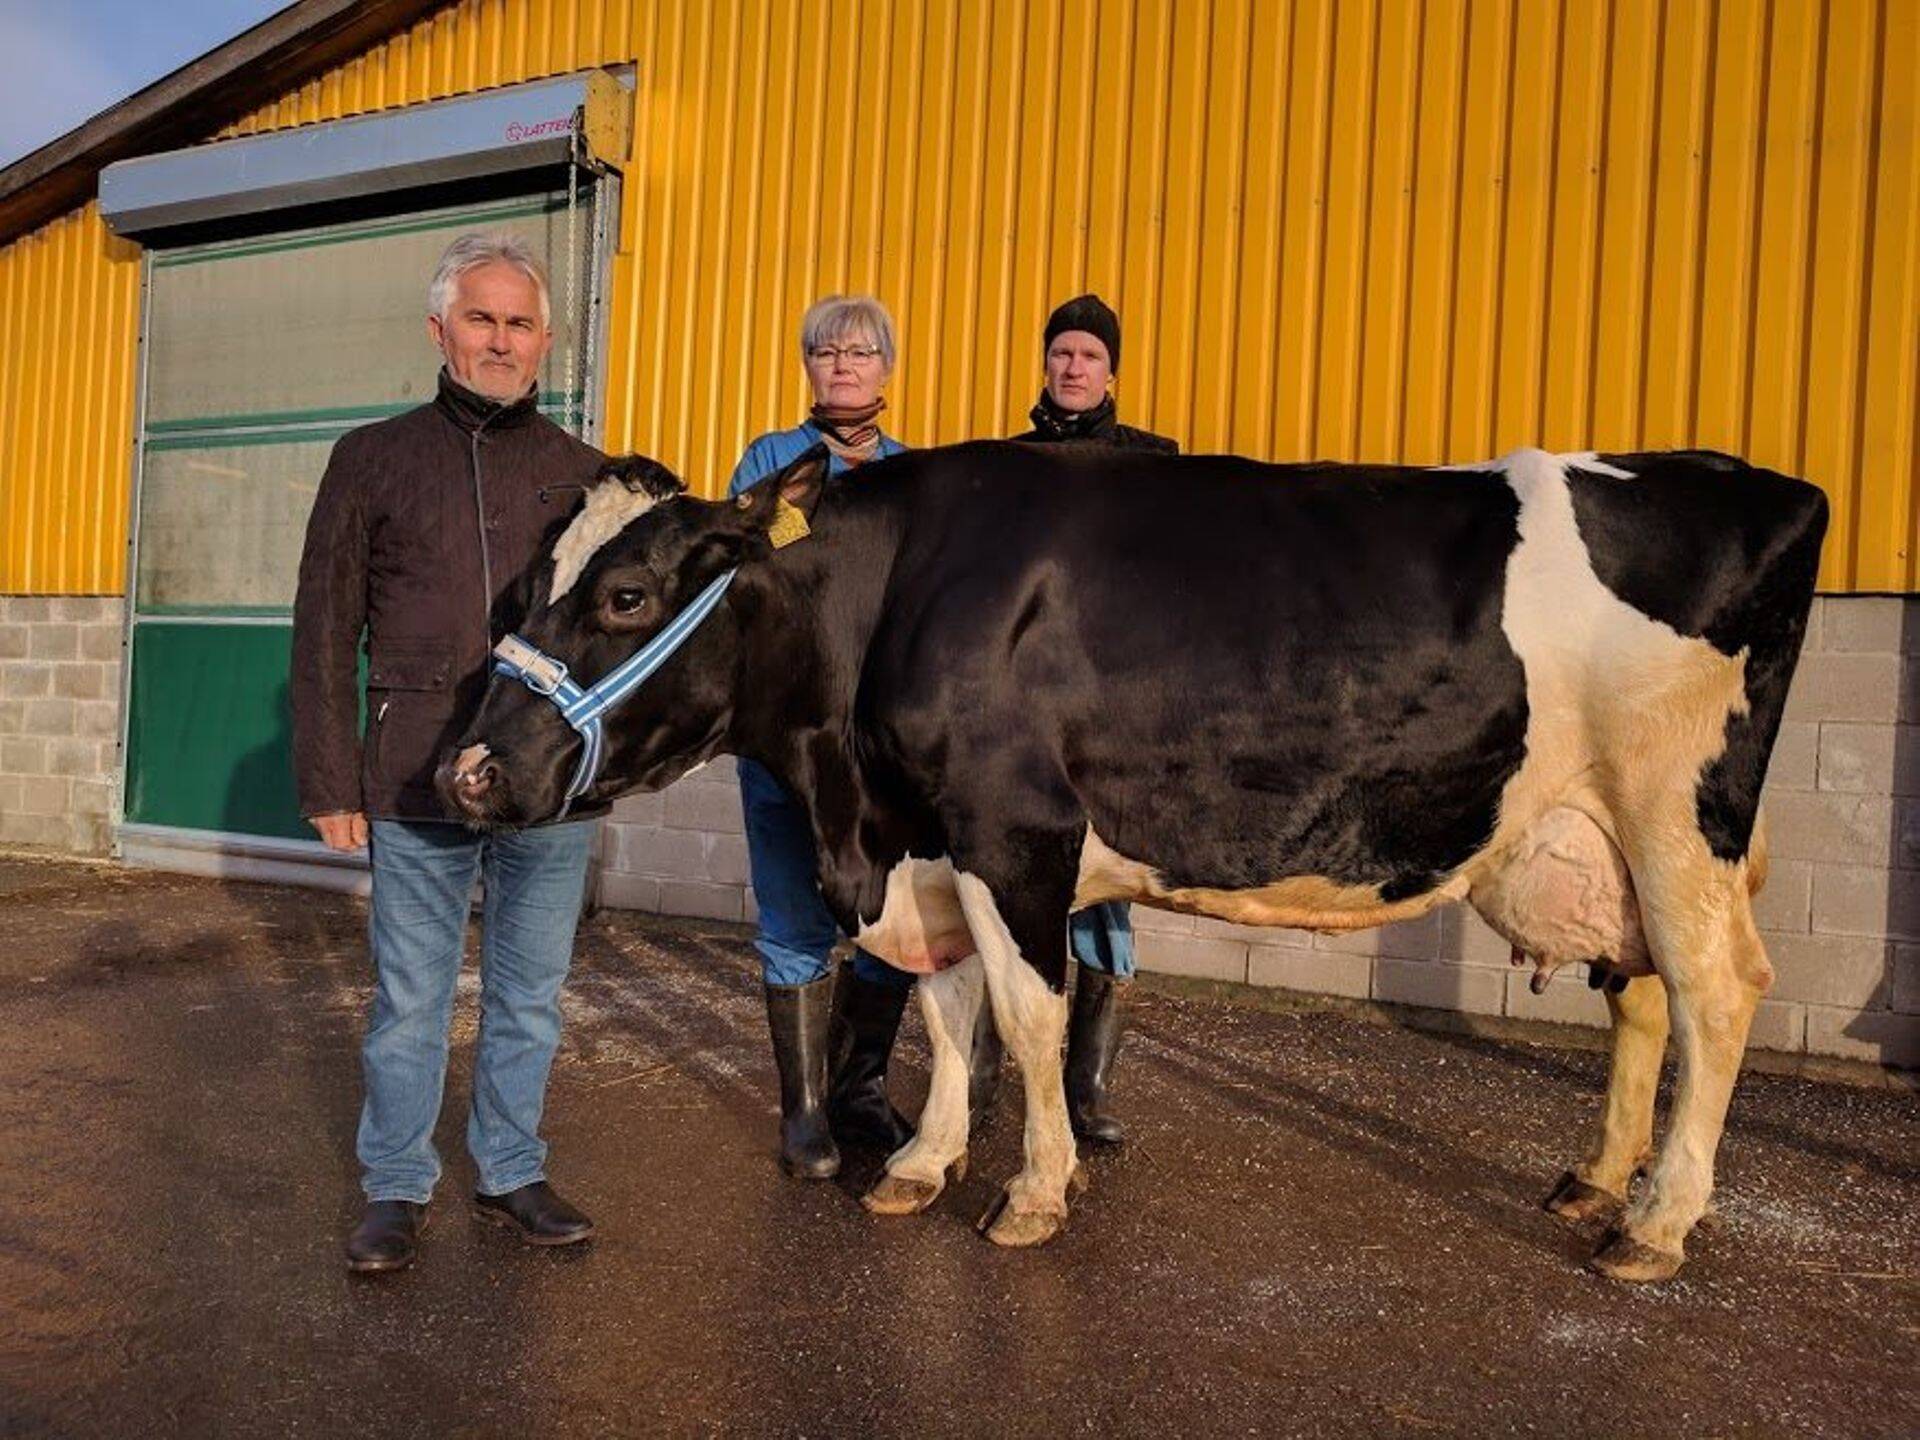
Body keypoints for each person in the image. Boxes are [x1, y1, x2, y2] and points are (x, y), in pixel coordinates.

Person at [292, 232, 612, 1272]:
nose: (502, 340)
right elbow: (325, 627)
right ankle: (394, 1184)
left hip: (548, 793)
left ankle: (511, 1167)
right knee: (411, 1001)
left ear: (547, 340)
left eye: (520, 323)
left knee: (528, 995)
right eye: (482, 318)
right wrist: (330, 779)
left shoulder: (587, 478)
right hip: (416, 770)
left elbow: (622, 645)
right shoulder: (373, 458)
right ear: (440, 329)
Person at [727, 295, 920, 1180]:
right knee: (795, 910)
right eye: (826, 352)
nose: (842, 365)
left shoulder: (917, 474)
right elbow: (749, 578)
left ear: (886, 367)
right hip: (791, 732)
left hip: (883, 740)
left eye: (860, 352)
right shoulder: (770, 460)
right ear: (806, 366)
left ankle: (861, 1091)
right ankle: (804, 1111)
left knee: (887, 914)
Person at [1010, 292, 1178, 1144]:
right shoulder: (1008, 464)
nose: (1073, 369)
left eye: (1090, 357)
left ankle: (1088, 1089)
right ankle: (999, 1065)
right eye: (1062, 354)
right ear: (1045, 363)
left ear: (1113, 371)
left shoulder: (1154, 464)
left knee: (1105, 886)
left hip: (1113, 712)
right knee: (1009, 885)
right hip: (1024, 708)